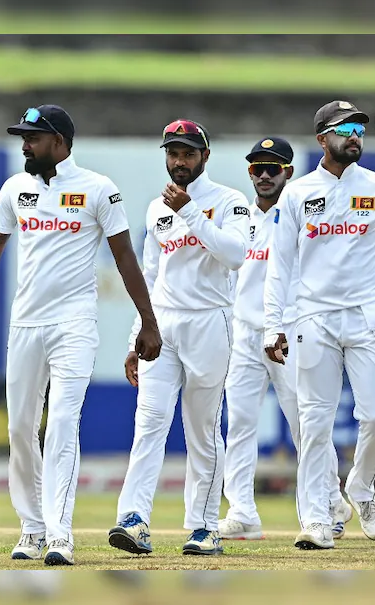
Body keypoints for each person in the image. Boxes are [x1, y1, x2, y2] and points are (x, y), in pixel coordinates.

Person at [0, 105, 162, 566]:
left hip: (74, 326)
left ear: (59, 143)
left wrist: (148, 320)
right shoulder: (15, 189)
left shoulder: (97, 190)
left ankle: (59, 535)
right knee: (20, 429)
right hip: (25, 323)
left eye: (33, 138)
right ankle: (31, 528)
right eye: (23, 138)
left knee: (63, 423)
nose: (24, 145)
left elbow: (126, 258)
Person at [264, 100, 375, 549]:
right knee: (314, 422)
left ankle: (360, 488)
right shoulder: (297, 192)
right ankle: (315, 521)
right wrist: (275, 323)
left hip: (368, 315)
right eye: (344, 128)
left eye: (359, 129)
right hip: (313, 317)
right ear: (322, 138)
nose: (354, 136)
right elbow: (280, 263)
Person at [108, 119, 250, 556]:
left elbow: (235, 255)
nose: (179, 161)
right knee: (148, 423)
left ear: (204, 157)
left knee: (202, 429)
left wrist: (189, 211)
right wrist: (137, 335)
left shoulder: (230, 200)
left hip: (210, 322)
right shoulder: (155, 208)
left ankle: (204, 526)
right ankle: (133, 520)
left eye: (187, 153)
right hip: (164, 324)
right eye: (172, 153)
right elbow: (150, 275)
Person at [218, 137, 352, 541]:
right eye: (256, 168)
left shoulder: (300, 211)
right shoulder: (239, 217)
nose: (263, 175)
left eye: (272, 168)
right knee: (239, 422)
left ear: (288, 172)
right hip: (245, 331)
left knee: (305, 424)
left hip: (291, 330)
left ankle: (330, 502)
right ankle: (241, 510)